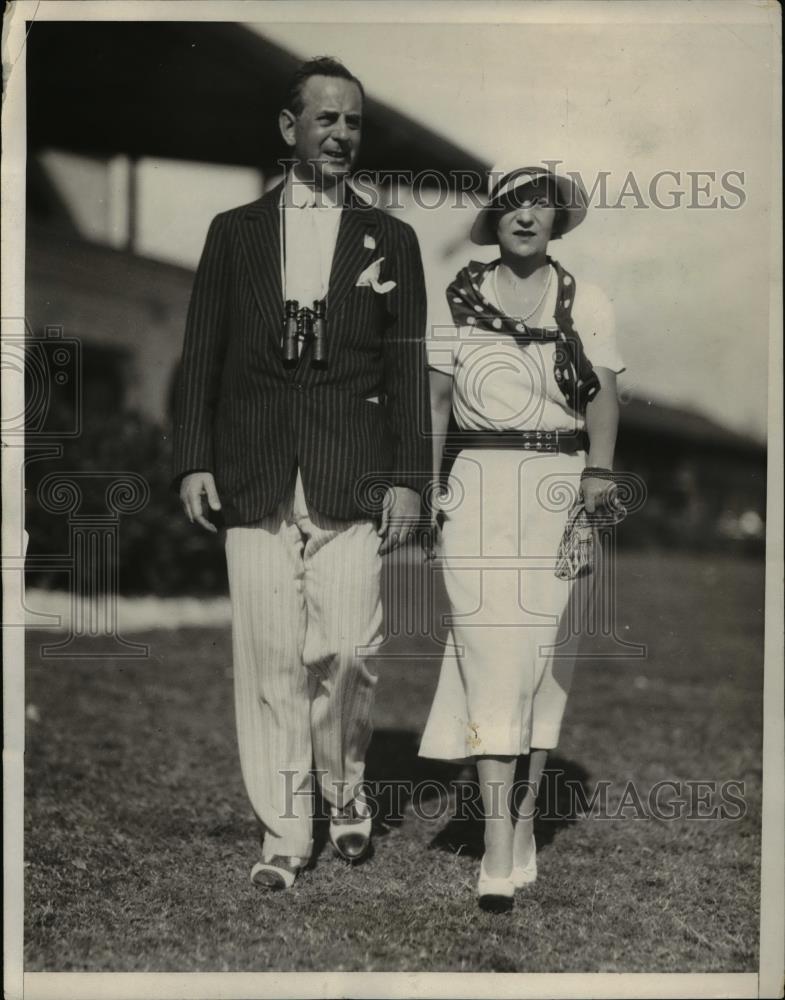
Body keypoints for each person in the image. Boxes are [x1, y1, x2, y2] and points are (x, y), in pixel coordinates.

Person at [172, 57, 430, 890]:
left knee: (350, 649)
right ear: (291, 130)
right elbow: (200, 355)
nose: (342, 136)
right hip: (251, 473)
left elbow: (406, 365)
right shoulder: (232, 232)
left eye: (354, 122)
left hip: (351, 473)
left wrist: (407, 479)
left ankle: (345, 790)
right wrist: (192, 460)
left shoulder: (390, 239)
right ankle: (286, 832)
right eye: (327, 120)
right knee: (271, 658)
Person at [419, 164, 625, 910]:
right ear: (494, 218)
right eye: (511, 204)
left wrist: (595, 484)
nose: (526, 216)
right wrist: (428, 489)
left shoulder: (586, 299)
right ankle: (498, 842)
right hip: (474, 482)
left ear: (558, 221)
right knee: (487, 651)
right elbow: (437, 402)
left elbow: (602, 396)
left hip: (558, 485)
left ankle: (521, 819)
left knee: (541, 661)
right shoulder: (456, 294)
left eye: (540, 206)